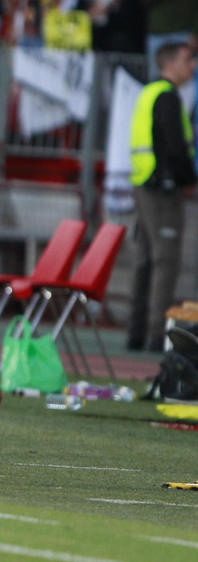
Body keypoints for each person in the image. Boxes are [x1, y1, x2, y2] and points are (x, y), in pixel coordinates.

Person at [127, 41, 198, 352]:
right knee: (165, 261)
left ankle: (136, 332)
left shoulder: (148, 92)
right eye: (187, 59)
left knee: (144, 261)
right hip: (162, 188)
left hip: (143, 183)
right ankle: (158, 334)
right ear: (168, 63)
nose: (192, 66)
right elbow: (174, 147)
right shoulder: (168, 97)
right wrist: (188, 179)